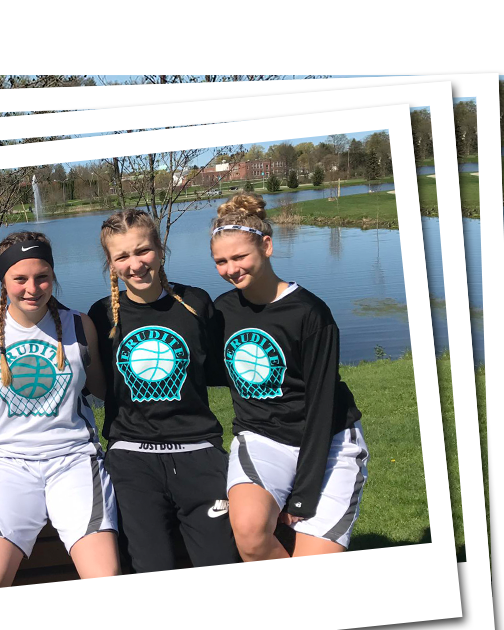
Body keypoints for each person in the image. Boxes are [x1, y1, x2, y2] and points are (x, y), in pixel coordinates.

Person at [0, 232, 119, 588]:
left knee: (105, 579)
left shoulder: (79, 326)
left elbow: (108, 392)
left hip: (74, 461)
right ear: (4, 280)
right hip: (11, 465)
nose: (33, 287)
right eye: (20, 278)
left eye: (42, 276)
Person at [209, 194, 367, 559]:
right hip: (262, 438)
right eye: (221, 261)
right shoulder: (223, 310)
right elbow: (211, 369)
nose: (231, 269)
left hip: (329, 442)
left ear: (266, 246)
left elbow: (321, 407)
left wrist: (303, 495)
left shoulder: (310, 313)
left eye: (239, 257)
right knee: (249, 535)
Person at [86, 209, 239, 573]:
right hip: (132, 460)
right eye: (122, 256)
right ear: (110, 264)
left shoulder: (197, 303)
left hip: (199, 454)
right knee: (152, 567)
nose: (135, 264)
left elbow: (225, 367)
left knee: (221, 564)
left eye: (143, 251)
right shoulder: (102, 315)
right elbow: (100, 385)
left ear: (161, 248)